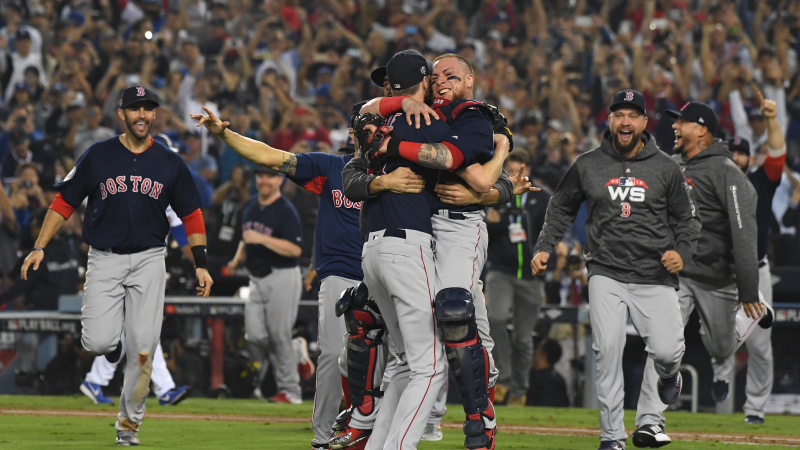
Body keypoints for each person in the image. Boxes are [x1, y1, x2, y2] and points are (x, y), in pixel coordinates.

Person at [191, 102, 423, 449]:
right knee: (332, 355)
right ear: (352, 133)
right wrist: (224, 133)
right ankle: (323, 436)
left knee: (394, 359)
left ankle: (383, 433)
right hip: (342, 275)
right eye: (364, 125)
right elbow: (271, 157)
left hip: (389, 274)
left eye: (378, 126)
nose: (371, 132)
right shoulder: (331, 167)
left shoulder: (403, 174)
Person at [20, 86, 213, 447]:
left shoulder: (170, 161)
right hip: (104, 258)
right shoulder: (98, 155)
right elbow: (64, 202)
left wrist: (200, 264)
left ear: (154, 115)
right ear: (121, 114)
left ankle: (128, 424)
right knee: (97, 342)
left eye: (148, 109)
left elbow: (192, 215)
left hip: (150, 260)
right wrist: (39, 246)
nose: (142, 115)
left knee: (143, 350)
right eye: (135, 109)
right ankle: (111, 345)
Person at [531, 90, 702, 450]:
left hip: (654, 273)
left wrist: (682, 252)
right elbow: (561, 207)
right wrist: (545, 246)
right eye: (618, 114)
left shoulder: (666, 167)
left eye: (632, 115)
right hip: (605, 270)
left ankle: (669, 377)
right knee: (606, 350)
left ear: (643, 123)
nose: (625, 121)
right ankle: (612, 436)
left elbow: (688, 220)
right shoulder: (588, 163)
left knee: (669, 352)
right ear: (609, 121)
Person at [633, 101, 767, 448]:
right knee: (662, 345)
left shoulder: (729, 174)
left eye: (683, 122)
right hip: (676, 275)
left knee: (722, 349)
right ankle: (649, 422)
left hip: (717, 278)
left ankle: (752, 312)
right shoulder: (669, 165)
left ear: (702, 131)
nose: (674, 127)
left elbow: (744, 234)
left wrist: (749, 288)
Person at [711, 91, 785, 426]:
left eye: (743, 152)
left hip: (756, 272)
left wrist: (771, 119)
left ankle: (755, 408)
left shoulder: (761, 182)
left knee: (760, 345)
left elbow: (778, 153)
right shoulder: (711, 185)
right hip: (722, 273)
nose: (738, 157)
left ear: (748, 158)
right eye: (733, 152)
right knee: (719, 336)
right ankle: (721, 376)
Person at [80, 206, 194, 407]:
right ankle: (164, 389)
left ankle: (95, 380)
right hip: (123, 262)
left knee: (137, 328)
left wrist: (200, 262)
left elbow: (182, 237)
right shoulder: (132, 185)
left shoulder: (169, 196)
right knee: (142, 327)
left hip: (150, 267)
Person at [226, 166, 304, 404]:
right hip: (256, 278)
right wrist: (238, 258)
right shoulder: (250, 205)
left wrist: (261, 239)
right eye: (261, 176)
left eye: (270, 176)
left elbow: (295, 249)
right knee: (255, 335)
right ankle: (297, 350)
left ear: (279, 181)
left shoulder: (286, 211)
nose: (264, 181)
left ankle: (291, 392)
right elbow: (246, 237)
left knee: (279, 335)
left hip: (282, 275)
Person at [484, 151, 549, 406]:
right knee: (495, 318)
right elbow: (482, 231)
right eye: (508, 172)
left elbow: (552, 229)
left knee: (523, 338)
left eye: (517, 171)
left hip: (531, 275)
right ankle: (503, 379)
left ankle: (519, 391)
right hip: (501, 271)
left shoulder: (542, 197)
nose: (513, 177)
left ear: (527, 170)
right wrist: (491, 221)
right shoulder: (495, 196)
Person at [526, 339, 569, 407]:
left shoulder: (533, 378)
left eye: (538, 349)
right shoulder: (560, 379)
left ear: (543, 355)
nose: (535, 352)